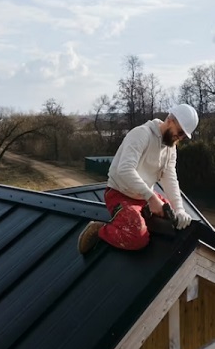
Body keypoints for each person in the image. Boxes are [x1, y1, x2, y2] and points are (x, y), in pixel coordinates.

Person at [77, 104, 198, 253]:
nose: (179, 138)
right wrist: (151, 198)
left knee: (173, 219)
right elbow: (125, 170)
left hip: (144, 198)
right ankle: (99, 230)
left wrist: (179, 209)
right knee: (136, 238)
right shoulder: (141, 134)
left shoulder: (170, 148)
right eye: (180, 132)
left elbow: (170, 178)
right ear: (170, 119)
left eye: (184, 136)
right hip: (120, 194)